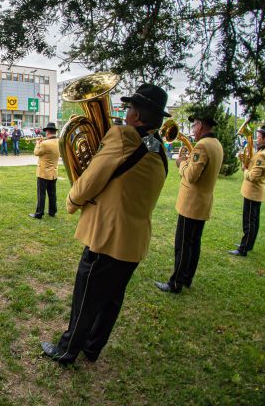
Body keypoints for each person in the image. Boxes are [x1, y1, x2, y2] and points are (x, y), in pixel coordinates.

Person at [41, 84, 170, 365]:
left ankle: (67, 350)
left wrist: (73, 200)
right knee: (111, 298)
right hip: (134, 239)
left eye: (128, 109)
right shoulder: (158, 147)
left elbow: (92, 178)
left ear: (137, 116)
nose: (124, 114)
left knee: (86, 296)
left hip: (107, 236)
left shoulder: (123, 137)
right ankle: (92, 347)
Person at [155, 108, 223, 294]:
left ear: (201, 125)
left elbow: (191, 176)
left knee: (183, 245)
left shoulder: (202, 146)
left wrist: (182, 163)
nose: (192, 129)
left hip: (191, 205)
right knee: (194, 243)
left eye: (194, 125)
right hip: (203, 203)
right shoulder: (216, 144)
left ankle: (175, 283)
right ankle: (187, 278)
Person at [230, 125, 265, 257]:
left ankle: (243, 249)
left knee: (249, 222)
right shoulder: (264, 152)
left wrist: (245, 170)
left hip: (253, 192)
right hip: (255, 193)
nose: (257, 138)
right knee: (253, 221)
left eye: (259, 136)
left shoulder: (263, 156)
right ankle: (248, 245)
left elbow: (253, 176)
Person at [31, 123, 60, 219]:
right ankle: (52, 211)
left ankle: (39, 213)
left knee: (41, 194)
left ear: (47, 132)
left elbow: (36, 153)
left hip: (43, 173)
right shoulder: (59, 142)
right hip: (54, 172)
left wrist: (37, 143)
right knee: (52, 193)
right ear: (54, 132)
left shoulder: (45, 143)